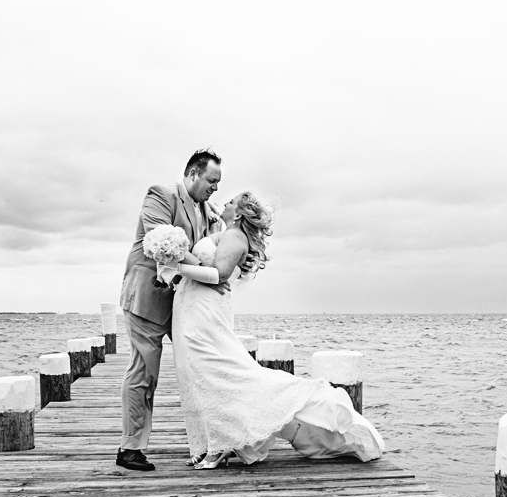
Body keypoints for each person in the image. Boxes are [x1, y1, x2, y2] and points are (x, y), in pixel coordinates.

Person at [159, 192, 384, 469]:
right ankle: (217, 441)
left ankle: (220, 444)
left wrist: (176, 263)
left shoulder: (234, 236)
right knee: (205, 374)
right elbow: (212, 238)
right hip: (194, 306)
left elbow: (218, 274)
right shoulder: (228, 230)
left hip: (203, 311)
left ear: (239, 214)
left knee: (216, 373)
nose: (225, 202)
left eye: (231, 201)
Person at [116, 149, 224, 471]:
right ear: (193, 174)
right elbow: (163, 244)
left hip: (183, 305)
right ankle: (130, 449)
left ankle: (214, 440)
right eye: (211, 181)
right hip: (147, 299)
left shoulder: (207, 211)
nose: (215, 188)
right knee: (144, 373)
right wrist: (212, 276)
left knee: (204, 366)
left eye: (218, 183)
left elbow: (207, 250)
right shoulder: (161, 195)